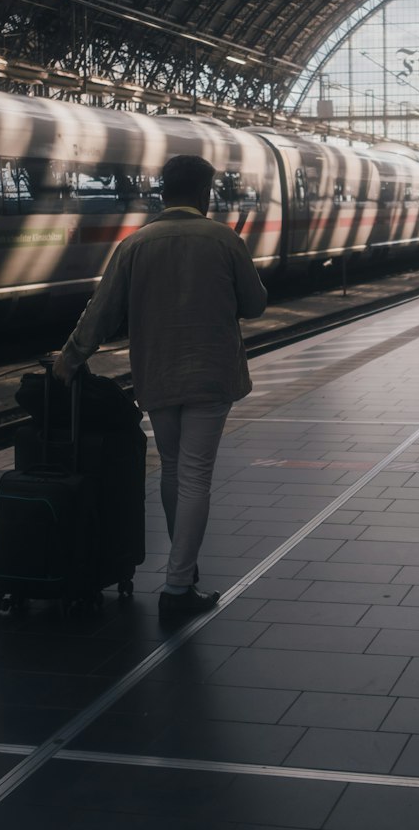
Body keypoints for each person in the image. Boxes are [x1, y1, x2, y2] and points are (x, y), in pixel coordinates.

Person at [52, 153, 267, 621]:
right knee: (195, 476)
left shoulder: (136, 244)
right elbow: (255, 306)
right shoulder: (224, 239)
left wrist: (70, 358)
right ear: (205, 193)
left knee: (173, 469)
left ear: (163, 192)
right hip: (211, 374)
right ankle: (176, 585)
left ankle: (183, 573)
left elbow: (102, 310)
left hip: (157, 372)